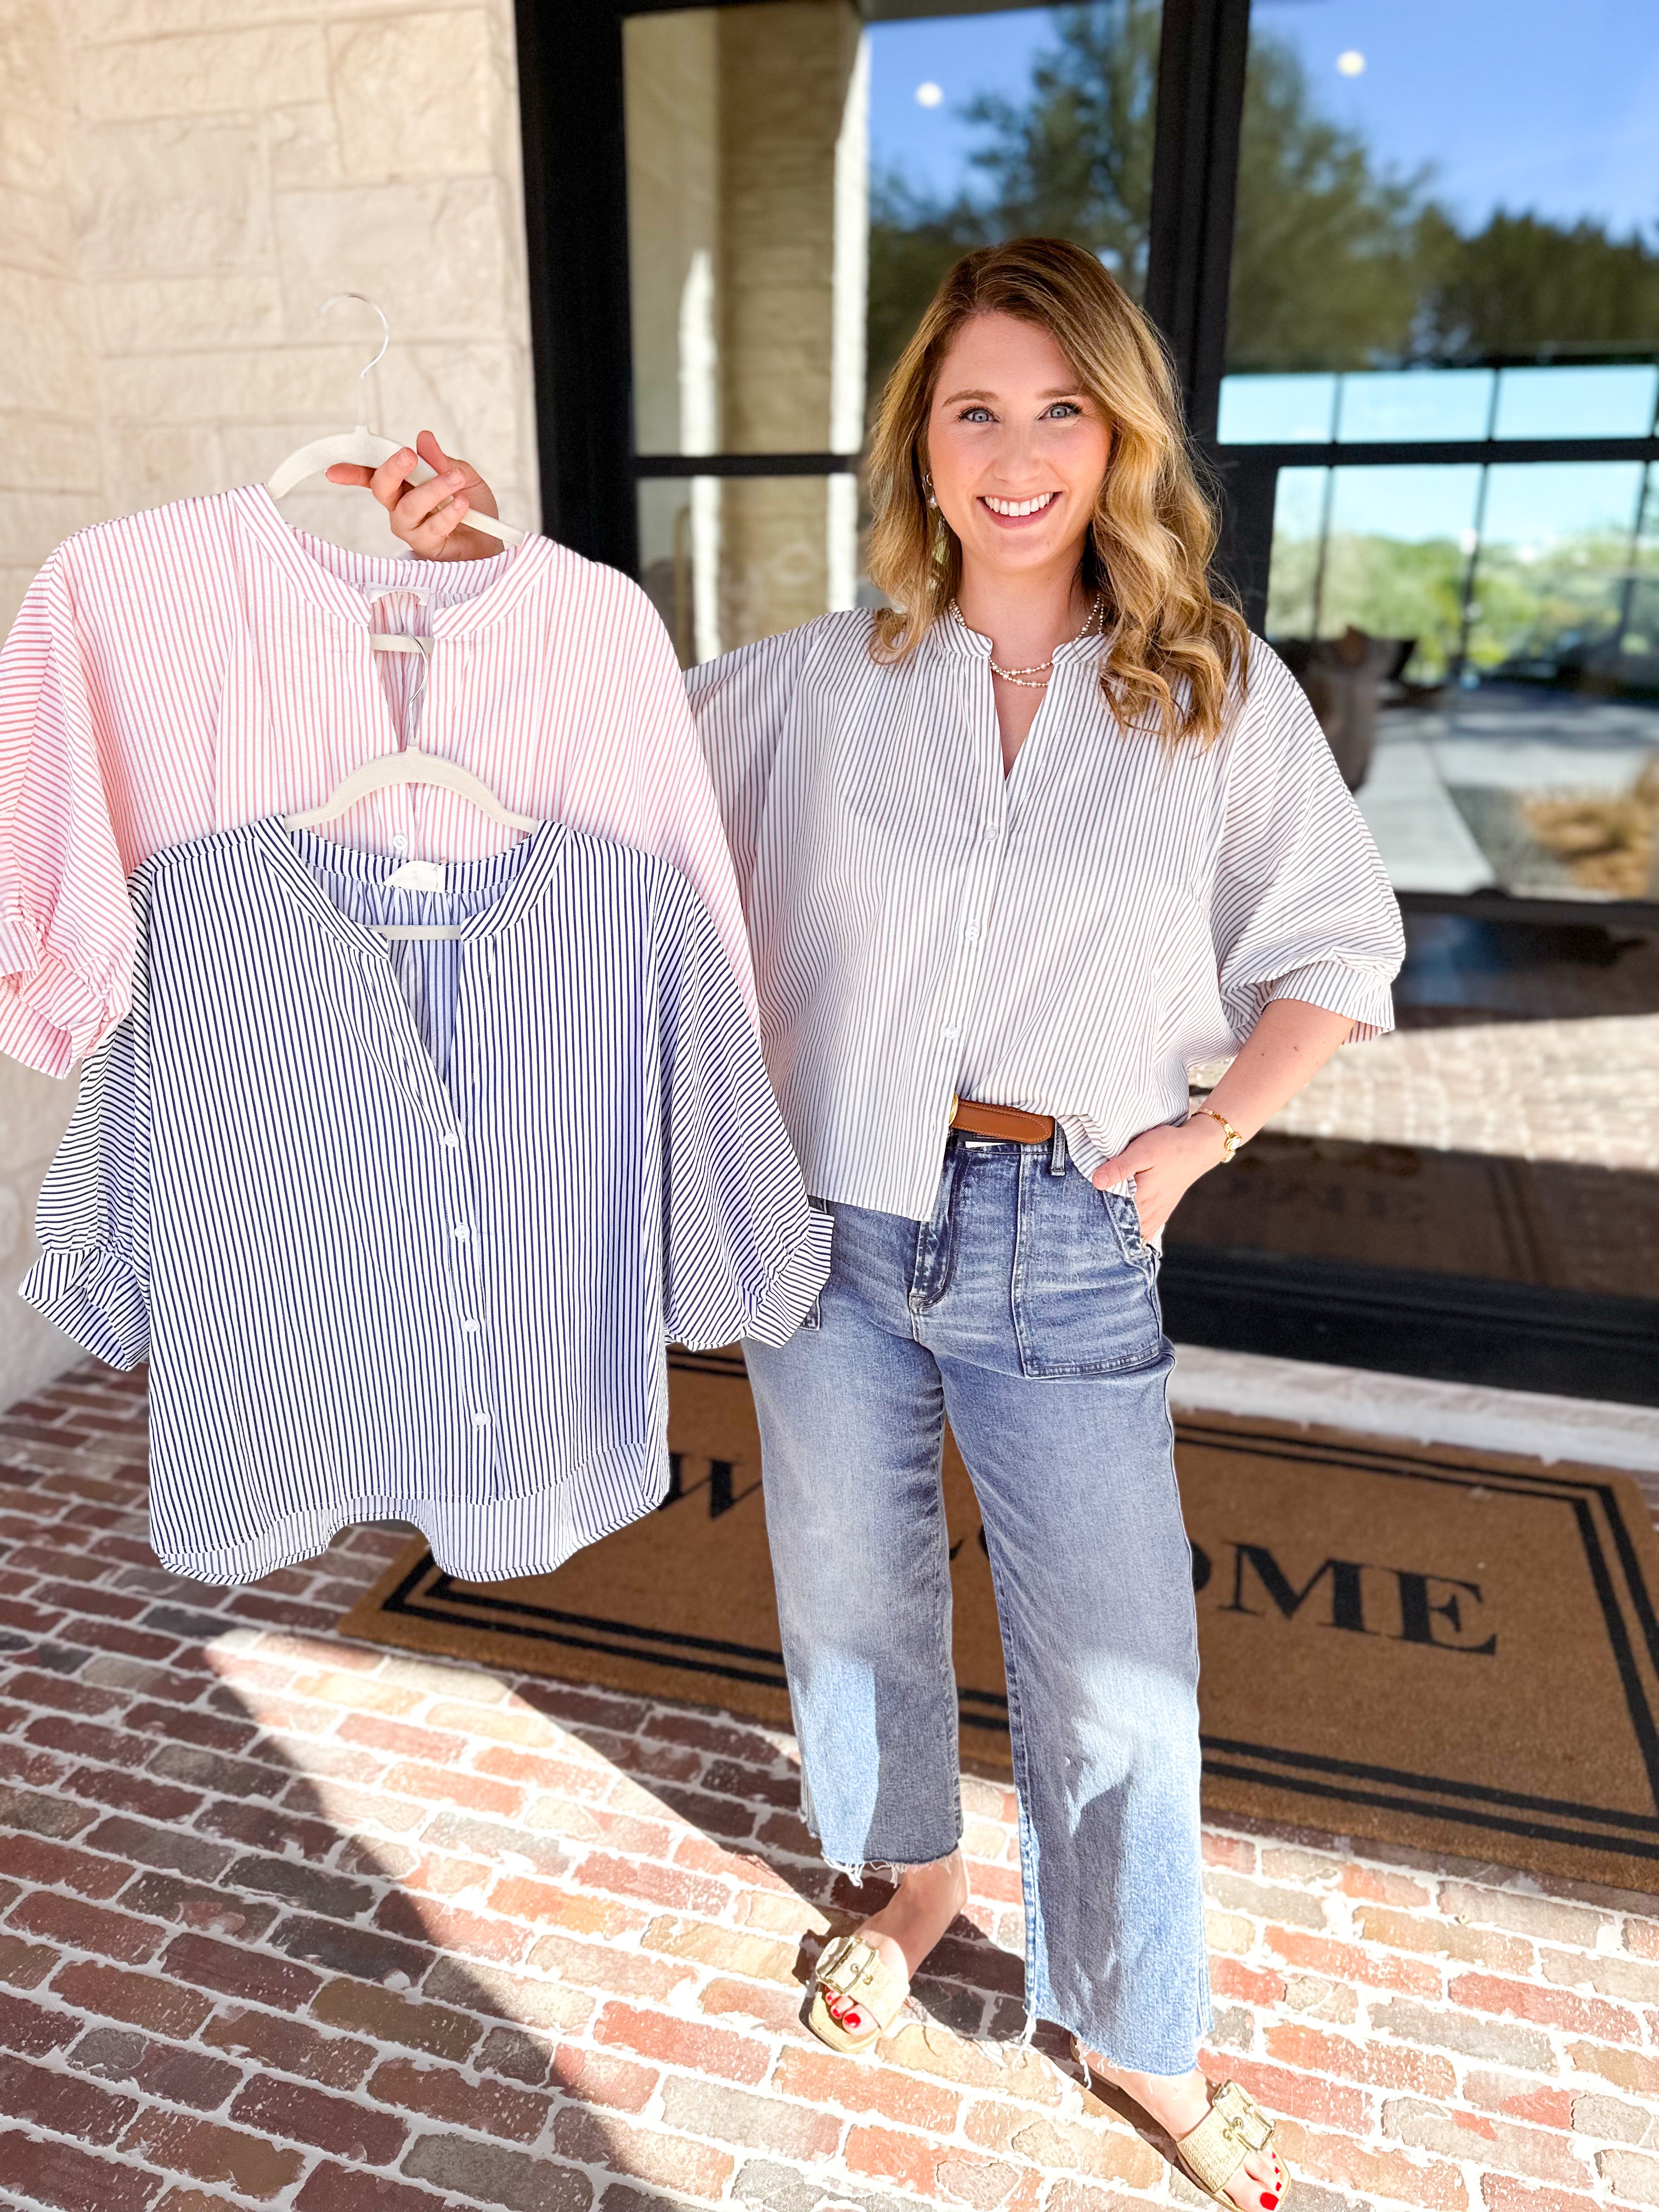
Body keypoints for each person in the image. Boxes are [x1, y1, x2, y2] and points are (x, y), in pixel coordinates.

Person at [333, 234, 1403, 2212]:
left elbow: (1337, 942)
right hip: (828, 1220)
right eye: (973, 409)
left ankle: (1141, 2028)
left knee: (1118, 1663)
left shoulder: (1210, 695)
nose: (1015, 453)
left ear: (1118, 437)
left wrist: (1202, 1141)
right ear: (919, 442)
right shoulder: (831, 681)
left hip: (1067, 1225)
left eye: (1058, 410)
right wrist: (482, 563)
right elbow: (609, 742)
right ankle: (910, 1882)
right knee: (847, 1592)